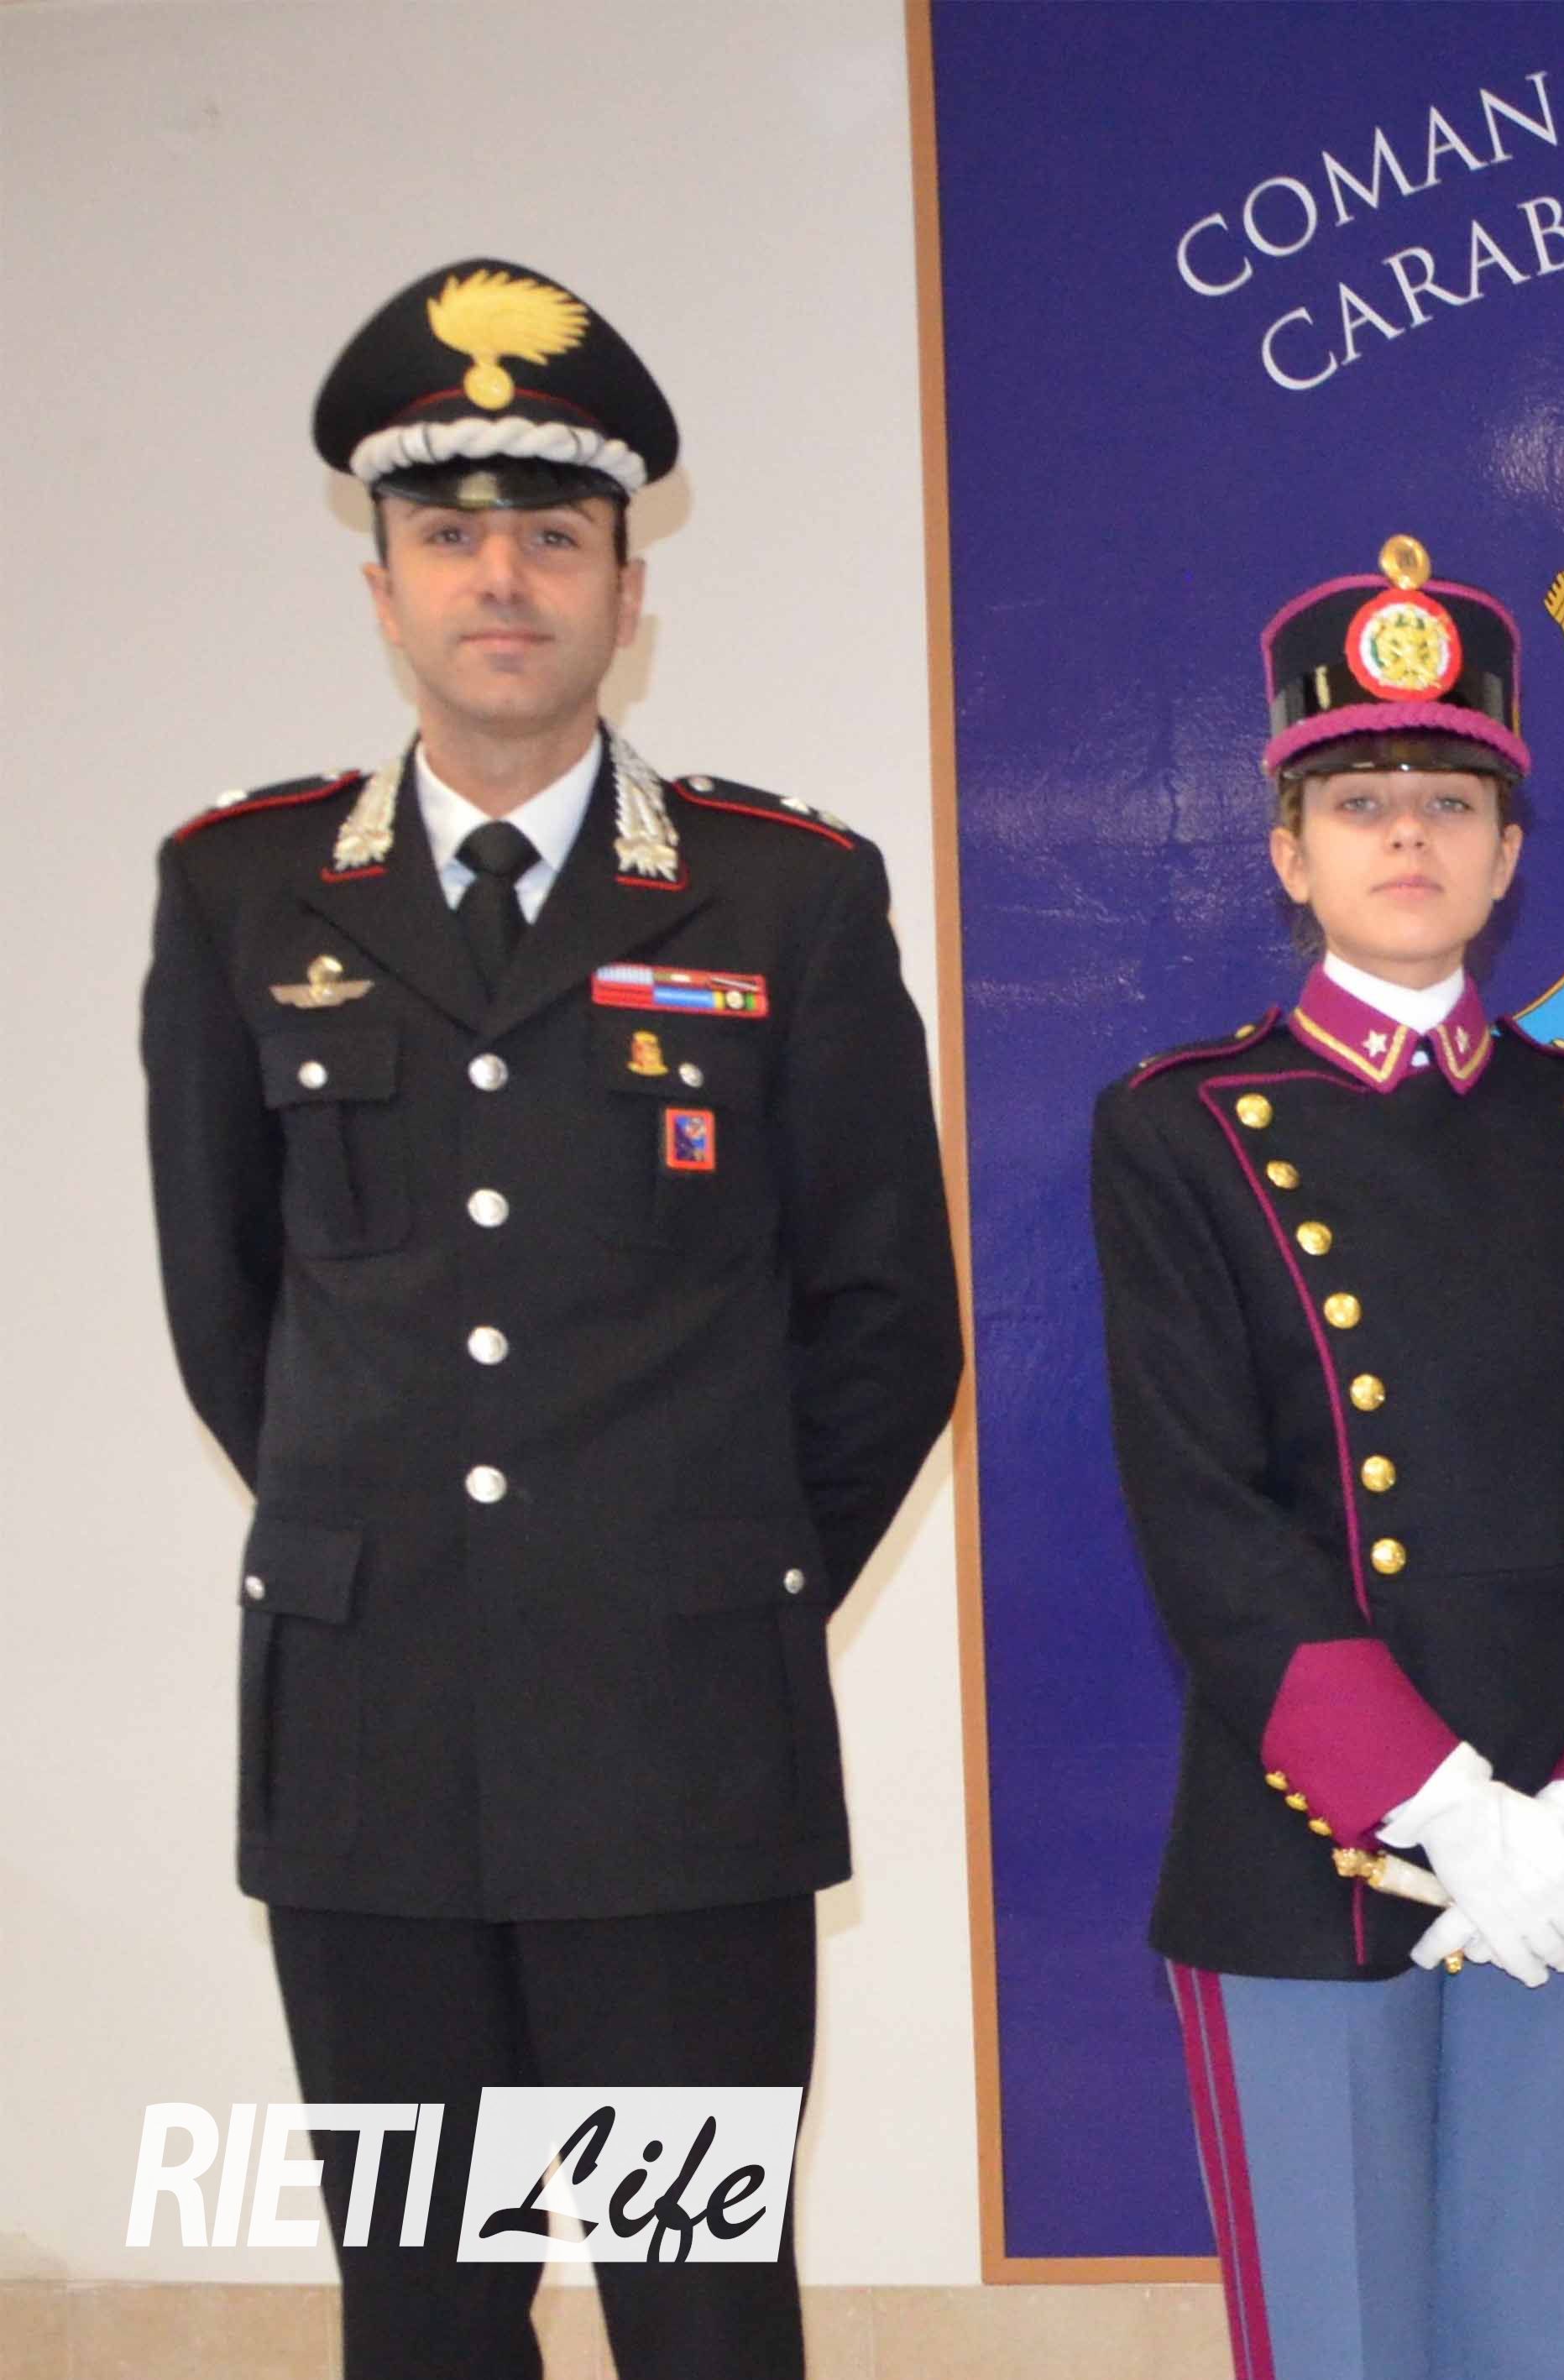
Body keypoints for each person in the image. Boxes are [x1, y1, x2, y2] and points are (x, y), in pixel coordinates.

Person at [139, 258, 965, 2377]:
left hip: (678, 1741)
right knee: (424, 2303)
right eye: (449, 534)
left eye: (554, 538)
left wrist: (717, 1566)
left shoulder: (783, 893)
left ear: (627, 593)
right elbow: (230, 1305)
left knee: (698, 2305)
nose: (500, 578)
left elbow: (887, 1317)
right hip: (372, 1743)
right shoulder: (242, 891)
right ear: (383, 588)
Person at [1090, 537, 1564, 2380]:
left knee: (1543, 2346)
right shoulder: (1183, 1126)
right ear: (1288, 851)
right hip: (1316, 1850)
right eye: (1357, 800)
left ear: (1509, 851)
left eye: (1450, 800)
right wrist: (1439, 1804)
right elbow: (1206, 1513)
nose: (1406, 835)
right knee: (1342, 2348)